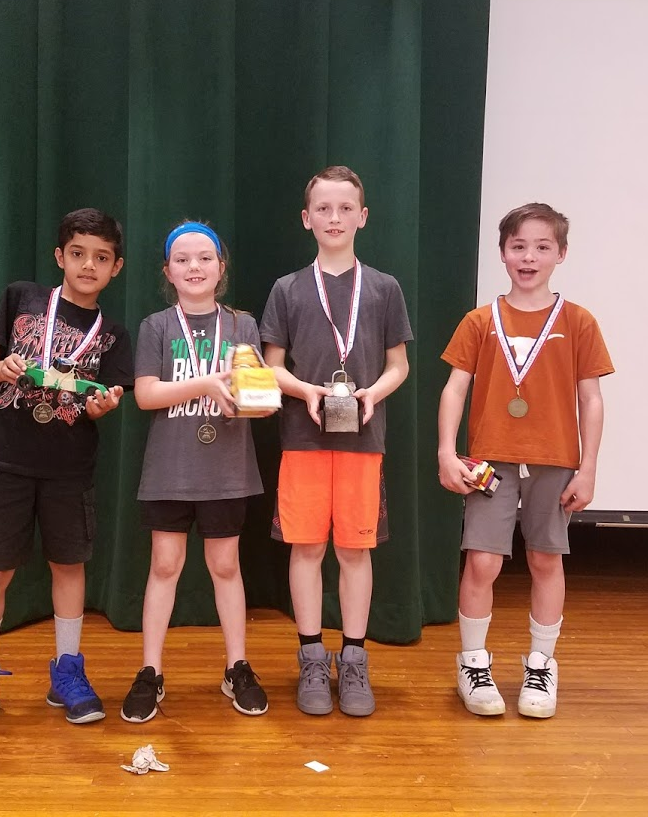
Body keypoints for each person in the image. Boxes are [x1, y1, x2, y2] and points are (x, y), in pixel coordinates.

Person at [0, 208, 134, 733]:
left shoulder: (114, 335)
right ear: (60, 257)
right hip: (6, 457)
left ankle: (67, 671)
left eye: (101, 257)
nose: (88, 265)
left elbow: (108, 399)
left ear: (116, 267)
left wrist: (102, 407)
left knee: (68, 566)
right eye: (78, 254)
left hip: (70, 466)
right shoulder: (22, 297)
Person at [437, 202, 613, 720]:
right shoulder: (480, 320)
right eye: (518, 247)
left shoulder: (578, 322)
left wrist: (589, 467)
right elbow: (454, 389)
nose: (528, 257)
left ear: (560, 253)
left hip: (556, 460)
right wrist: (448, 451)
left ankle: (541, 663)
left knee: (545, 559)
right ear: (502, 253)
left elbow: (592, 399)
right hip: (490, 461)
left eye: (541, 247)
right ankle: (472, 661)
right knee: (483, 561)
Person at [259, 166, 413, 717]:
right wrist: (307, 392)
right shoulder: (287, 288)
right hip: (303, 438)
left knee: (354, 549)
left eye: (345, 209)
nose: (334, 218)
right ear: (307, 219)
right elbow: (271, 366)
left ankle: (352, 659)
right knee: (307, 547)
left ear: (362, 217)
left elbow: (400, 365)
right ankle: (310, 657)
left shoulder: (383, 287)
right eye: (323, 209)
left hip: (363, 441)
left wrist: (372, 392)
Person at [120, 221, 271, 723]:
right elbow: (145, 395)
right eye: (182, 260)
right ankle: (150, 672)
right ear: (168, 270)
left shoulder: (244, 326)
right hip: (171, 470)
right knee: (164, 566)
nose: (194, 267)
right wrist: (207, 383)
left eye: (205, 258)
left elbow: (260, 398)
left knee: (225, 566)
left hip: (225, 470)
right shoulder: (156, 327)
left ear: (221, 268)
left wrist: (243, 405)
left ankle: (237, 667)